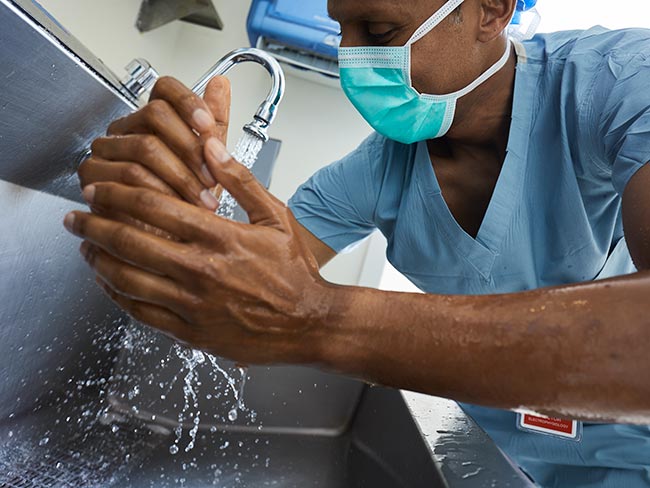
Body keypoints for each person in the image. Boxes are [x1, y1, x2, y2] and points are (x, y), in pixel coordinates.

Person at [63, 0, 650, 485]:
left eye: (379, 30)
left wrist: (318, 317)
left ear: (490, 11)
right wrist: (180, 206)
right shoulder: (372, 174)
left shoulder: (617, 83)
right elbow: (228, 293)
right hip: (479, 450)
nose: (351, 57)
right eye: (342, 29)